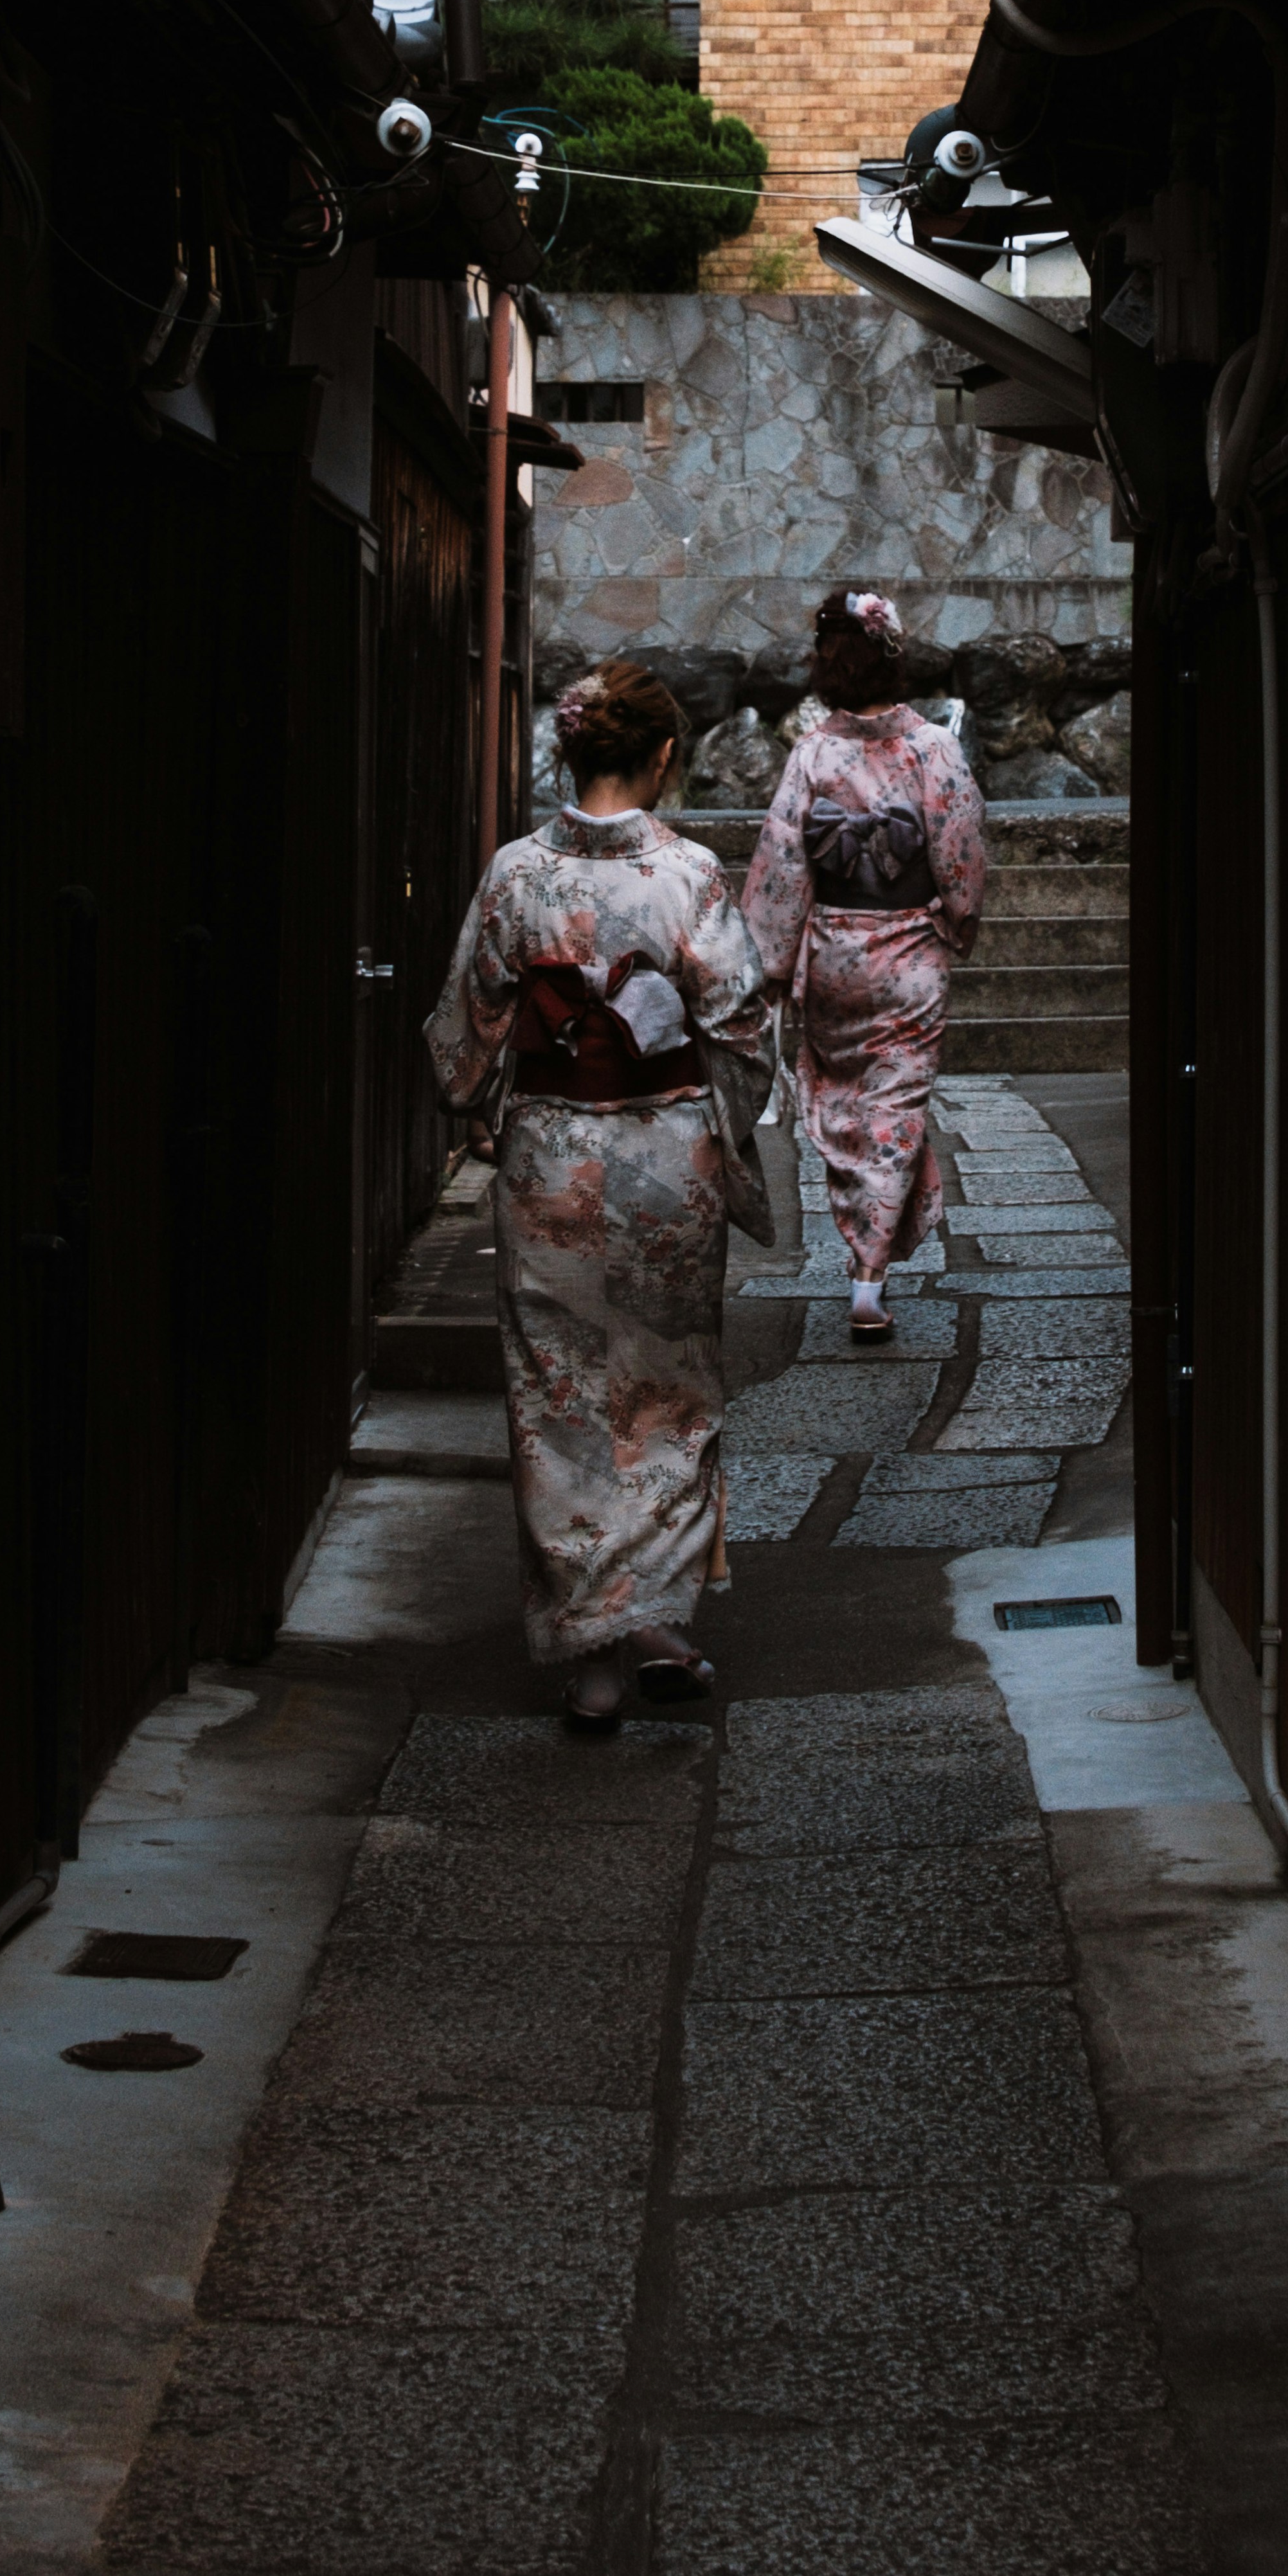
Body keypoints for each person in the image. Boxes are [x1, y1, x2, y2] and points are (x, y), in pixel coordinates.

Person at [425, 660, 774, 1731]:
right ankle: (658, 1618)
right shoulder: (689, 877)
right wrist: (723, 1126)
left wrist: (483, 1103)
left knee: (562, 1398)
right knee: (667, 1389)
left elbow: (463, 1028)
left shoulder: (517, 875)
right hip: (669, 1157)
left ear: (567, 752)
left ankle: (595, 1661)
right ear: (666, 756)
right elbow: (744, 1030)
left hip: (550, 1164)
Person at [742, 590, 988, 1340]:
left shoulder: (813, 752)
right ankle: (869, 1280)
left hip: (837, 956)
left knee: (849, 1113)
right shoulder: (933, 750)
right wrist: (956, 920)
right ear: (895, 658)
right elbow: (960, 853)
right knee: (897, 1108)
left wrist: (774, 966)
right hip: (909, 954)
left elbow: (783, 866)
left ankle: (862, 1248)